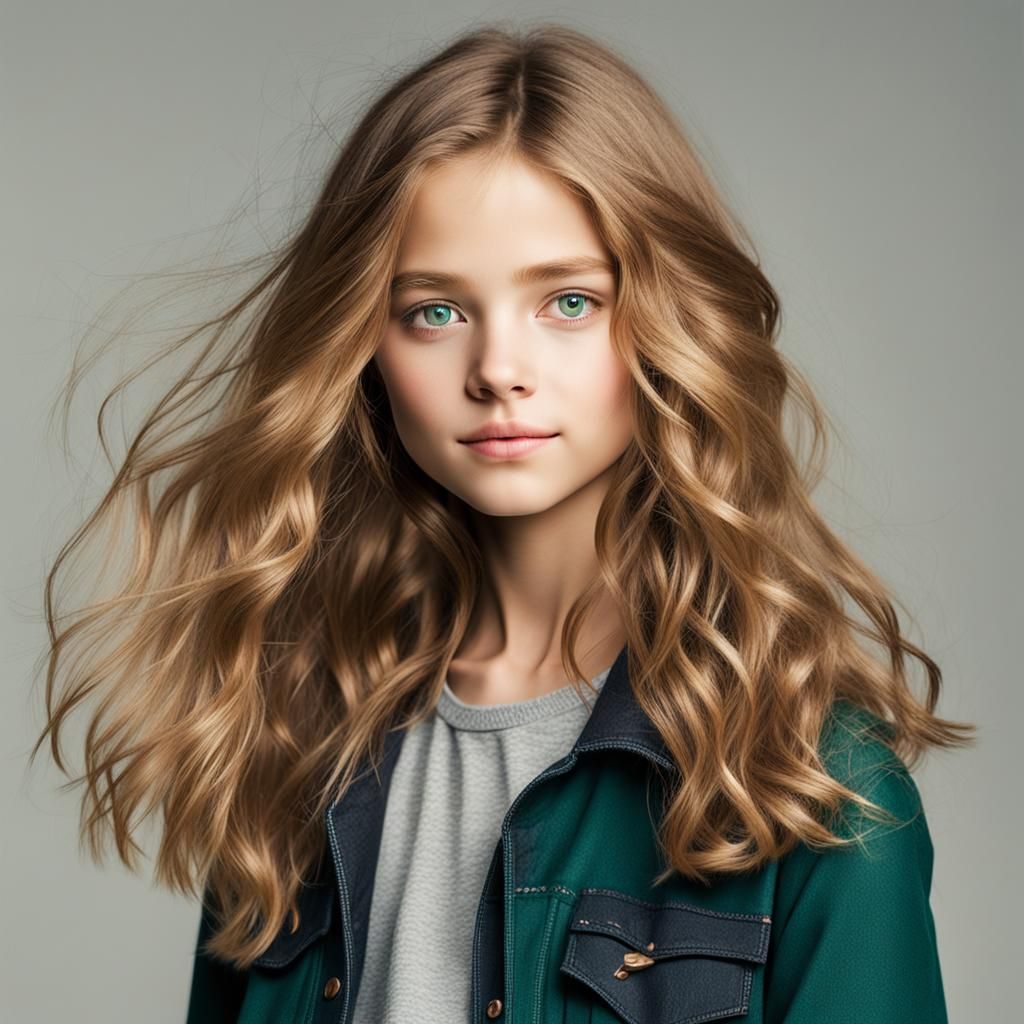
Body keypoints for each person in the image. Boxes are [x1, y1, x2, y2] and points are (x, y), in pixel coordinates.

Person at [32, 22, 975, 1024]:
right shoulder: (295, 749)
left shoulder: (816, 785)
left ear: (668, 319)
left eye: (567, 302)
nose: (497, 370)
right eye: (434, 311)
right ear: (363, 346)